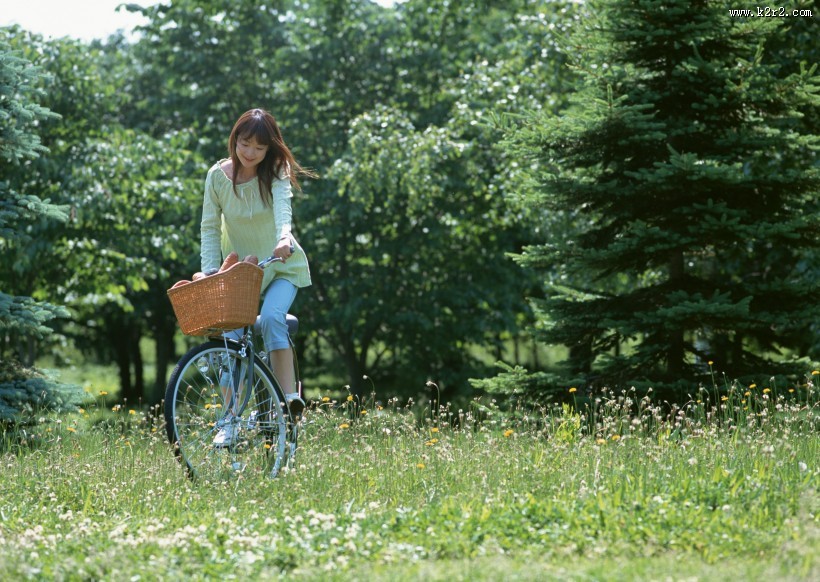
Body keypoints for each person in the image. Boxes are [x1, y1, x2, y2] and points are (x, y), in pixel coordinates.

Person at [200, 108, 313, 445]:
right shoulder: (216, 177)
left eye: (259, 148)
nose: (250, 153)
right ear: (234, 140)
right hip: (240, 271)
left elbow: (283, 209)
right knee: (229, 339)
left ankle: (288, 401)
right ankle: (229, 420)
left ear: (269, 150)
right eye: (244, 144)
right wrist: (209, 273)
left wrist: (283, 238)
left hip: (280, 265)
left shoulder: (276, 171)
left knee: (274, 318)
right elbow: (209, 227)